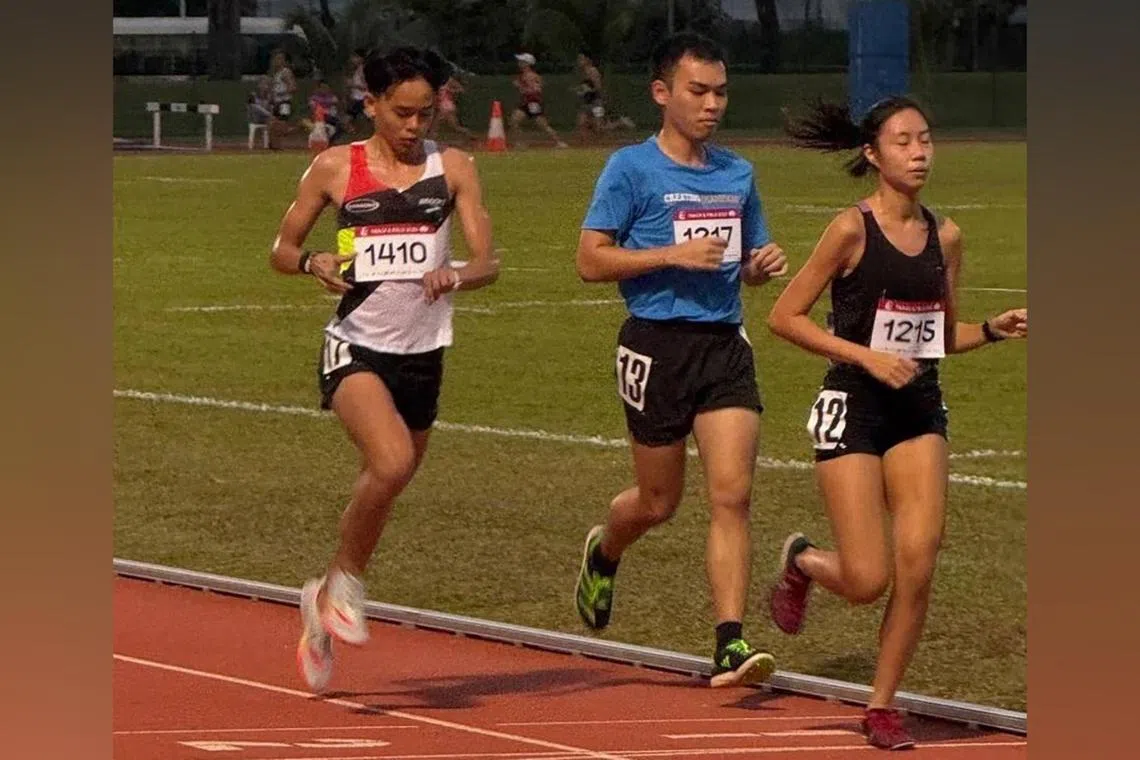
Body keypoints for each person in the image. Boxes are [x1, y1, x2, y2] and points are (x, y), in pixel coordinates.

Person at [764, 96, 1027, 750]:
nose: (919, 152)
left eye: (926, 140)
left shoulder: (948, 236)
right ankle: (803, 561)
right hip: (853, 404)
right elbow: (785, 317)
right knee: (866, 579)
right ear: (874, 154)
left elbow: (937, 337)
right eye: (904, 141)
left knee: (917, 562)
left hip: (918, 410)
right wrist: (867, 358)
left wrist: (993, 330)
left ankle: (882, 705)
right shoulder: (850, 231)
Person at [268, 46, 501, 693]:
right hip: (356, 345)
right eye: (401, 112)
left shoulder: (453, 168)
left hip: (424, 355)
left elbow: (488, 260)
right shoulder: (335, 168)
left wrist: (456, 272)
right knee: (392, 461)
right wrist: (313, 261)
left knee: (386, 479)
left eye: (426, 113)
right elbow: (280, 249)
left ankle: (325, 594)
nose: (414, 125)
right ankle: (345, 586)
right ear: (370, 104)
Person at [572, 32, 789, 689]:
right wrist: (667, 255)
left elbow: (746, 257)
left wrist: (759, 265)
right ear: (662, 94)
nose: (712, 104)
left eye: (721, 91)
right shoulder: (630, 170)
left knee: (732, 495)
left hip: (723, 344)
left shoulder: (737, 174)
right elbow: (590, 260)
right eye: (698, 91)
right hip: (655, 344)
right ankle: (605, 551)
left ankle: (729, 641)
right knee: (659, 502)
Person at [508, 53, 568, 148]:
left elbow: (536, 90)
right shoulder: (524, 75)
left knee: (542, 125)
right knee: (514, 121)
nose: (519, 63)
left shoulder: (531, 76)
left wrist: (520, 87)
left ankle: (559, 142)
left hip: (532, 103)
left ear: (527, 63)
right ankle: (521, 143)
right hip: (526, 102)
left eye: (522, 61)